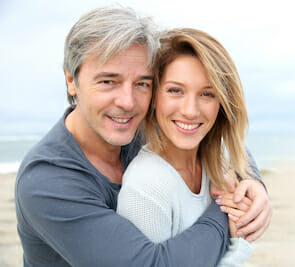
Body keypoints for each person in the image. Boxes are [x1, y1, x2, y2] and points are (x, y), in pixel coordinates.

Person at [14, 6, 271, 267]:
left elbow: (214, 137)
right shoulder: (47, 180)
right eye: (108, 81)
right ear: (71, 80)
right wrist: (224, 208)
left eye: (142, 84)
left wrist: (253, 183)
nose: (127, 102)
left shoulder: (140, 124)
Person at [117, 28, 259, 266]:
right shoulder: (147, 187)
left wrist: (254, 188)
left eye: (207, 94)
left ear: (222, 104)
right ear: (154, 97)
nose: (191, 110)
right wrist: (240, 245)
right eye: (175, 91)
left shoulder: (219, 162)